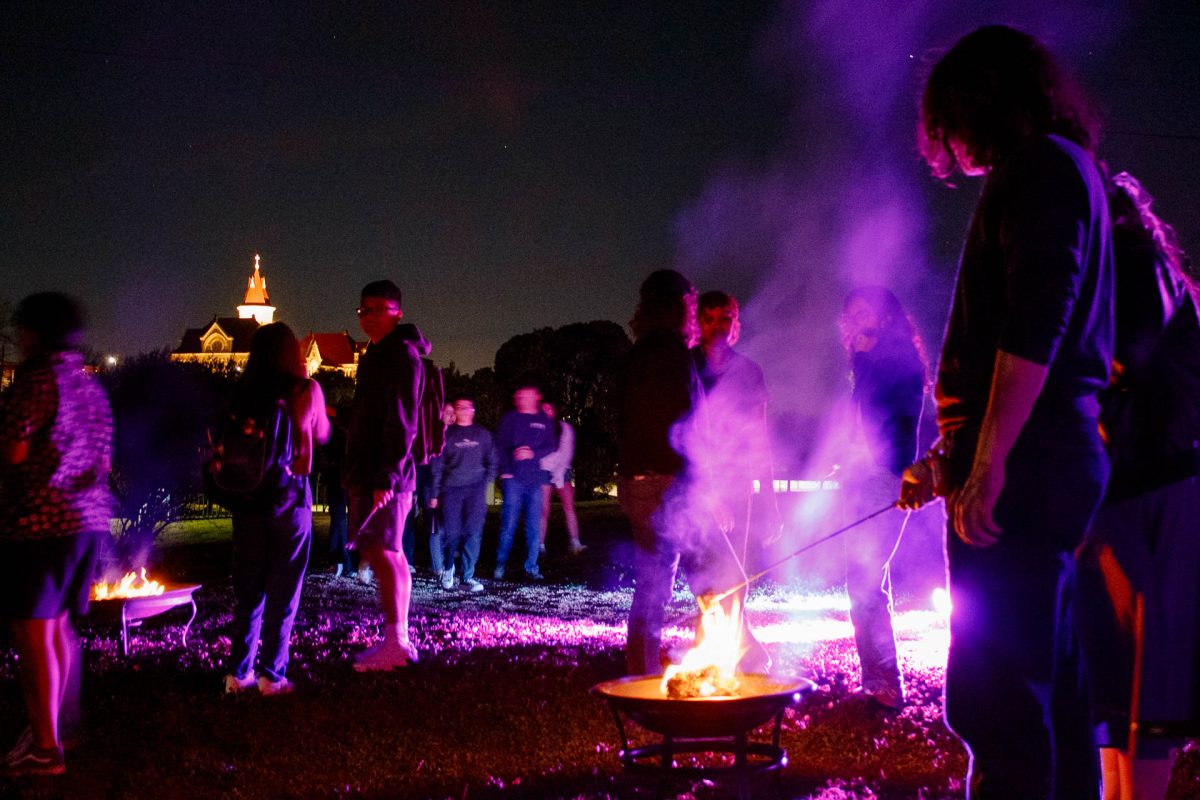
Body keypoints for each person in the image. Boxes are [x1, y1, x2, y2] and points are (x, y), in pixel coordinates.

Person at [900, 25, 1114, 799]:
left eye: (949, 123)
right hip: (1041, 458)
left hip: (1027, 466)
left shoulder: (1040, 171)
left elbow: (1035, 325)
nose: (948, 146)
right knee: (1048, 687)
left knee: (1001, 696)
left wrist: (986, 462)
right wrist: (948, 461)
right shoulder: (1068, 169)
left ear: (979, 104)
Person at [1075, 172, 1200, 800]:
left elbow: (1122, 358)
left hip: (1159, 492)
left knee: (1149, 677)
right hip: (1118, 493)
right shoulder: (1109, 267)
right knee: (1117, 669)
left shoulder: (1132, 260)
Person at [1, 293, 112, 777]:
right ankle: (54, 727)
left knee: (32, 632)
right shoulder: (91, 386)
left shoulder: (35, 380)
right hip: (88, 522)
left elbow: (14, 452)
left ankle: (46, 748)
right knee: (60, 627)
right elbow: (105, 461)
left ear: (36, 332)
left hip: (41, 522)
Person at [223, 322, 330, 696]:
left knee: (248, 589)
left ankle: (238, 675)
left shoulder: (243, 392)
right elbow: (315, 442)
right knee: (284, 589)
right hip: (288, 501)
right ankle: (272, 676)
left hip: (248, 500)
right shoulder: (304, 389)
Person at [836, 286, 927, 711]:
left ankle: (885, 683)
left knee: (865, 581)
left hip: (884, 475)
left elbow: (896, 421)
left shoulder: (896, 360)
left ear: (886, 316)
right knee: (863, 581)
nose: (857, 318)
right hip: (859, 478)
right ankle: (874, 678)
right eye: (851, 313)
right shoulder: (864, 361)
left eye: (865, 311)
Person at [688, 290, 778, 674]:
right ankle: (713, 647)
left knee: (735, 572)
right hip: (695, 483)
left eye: (725, 318)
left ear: (735, 324)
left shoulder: (750, 372)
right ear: (697, 324)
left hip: (738, 484)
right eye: (708, 319)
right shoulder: (686, 368)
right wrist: (706, 491)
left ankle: (730, 648)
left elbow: (760, 437)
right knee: (705, 572)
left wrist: (770, 501)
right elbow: (682, 433)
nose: (717, 327)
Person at [617, 269, 702, 675]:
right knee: (690, 578)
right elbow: (686, 424)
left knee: (651, 585)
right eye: (691, 303)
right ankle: (642, 676)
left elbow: (627, 418)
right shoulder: (672, 352)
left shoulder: (637, 353)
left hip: (637, 480)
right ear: (678, 305)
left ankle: (641, 669)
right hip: (668, 482)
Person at [344, 280, 425, 671]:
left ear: (397, 312)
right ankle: (397, 640)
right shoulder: (375, 355)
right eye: (362, 310)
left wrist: (387, 478)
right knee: (386, 553)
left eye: (375, 308)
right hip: (372, 471)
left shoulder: (401, 355)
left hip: (386, 475)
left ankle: (397, 643)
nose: (366, 316)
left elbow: (402, 420)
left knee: (385, 552)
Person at [492, 379, 556, 581]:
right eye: (520, 396)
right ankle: (500, 565)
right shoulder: (510, 418)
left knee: (533, 527)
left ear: (536, 396)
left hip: (534, 481)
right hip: (513, 480)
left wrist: (533, 453)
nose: (522, 399)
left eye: (526, 395)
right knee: (508, 524)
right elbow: (500, 446)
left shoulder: (543, 420)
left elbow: (551, 446)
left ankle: (532, 566)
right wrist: (505, 470)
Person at [430, 396, 496, 593]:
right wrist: (435, 494)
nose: (464, 410)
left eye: (468, 407)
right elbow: (438, 466)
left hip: (476, 490)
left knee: (474, 532)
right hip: (452, 490)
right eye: (460, 407)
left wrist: (488, 488)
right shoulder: (447, 435)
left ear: (473, 410)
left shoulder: (483, 435)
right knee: (452, 533)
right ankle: (449, 568)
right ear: (455, 412)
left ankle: (468, 576)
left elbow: (492, 462)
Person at [538, 400, 585, 556]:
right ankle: (540, 545)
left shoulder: (566, 428)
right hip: (543, 470)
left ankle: (575, 542)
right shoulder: (539, 430)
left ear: (555, 410)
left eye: (549, 408)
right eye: (542, 409)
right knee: (543, 509)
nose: (546, 412)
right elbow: (539, 456)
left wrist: (557, 475)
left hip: (562, 471)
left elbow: (566, 454)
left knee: (569, 507)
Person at [320, 405, 353, 578]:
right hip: (345, 481)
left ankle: (340, 561)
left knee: (338, 522)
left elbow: (325, 462)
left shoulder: (329, 436)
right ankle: (346, 562)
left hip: (337, 482)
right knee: (343, 522)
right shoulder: (344, 433)